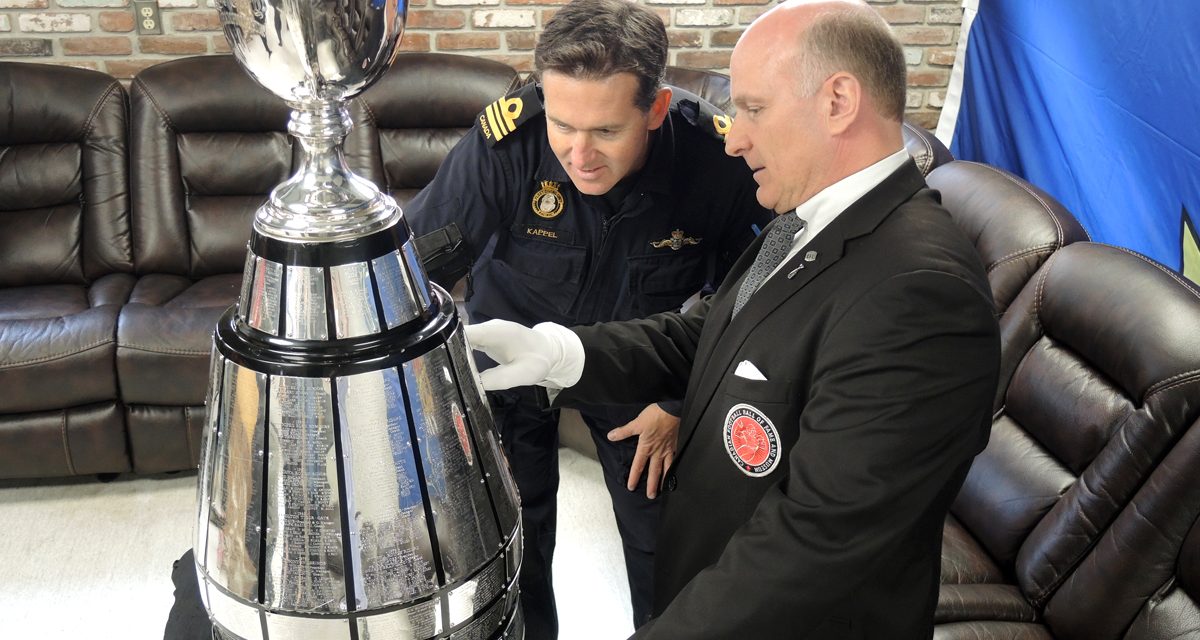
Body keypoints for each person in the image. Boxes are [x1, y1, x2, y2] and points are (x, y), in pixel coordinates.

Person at [462, 1, 1002, 637]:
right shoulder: (810, 223)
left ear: (837, 102)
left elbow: (815, 547)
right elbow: (712, 334)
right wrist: (562, 355)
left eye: (754, 109)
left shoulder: (921, 293)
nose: (735, 138)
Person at [403, 0, 771, 636]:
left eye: (605, 131)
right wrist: (425, 392)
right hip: (509, 357)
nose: (579, 155)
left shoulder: (715, 161)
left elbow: (755, 296)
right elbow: (417, 272)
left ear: (655, 109)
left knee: (664, 542)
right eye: (563, 125)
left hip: (638, 366)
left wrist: (681, 405)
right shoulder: (508, 141)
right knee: (510, 539)